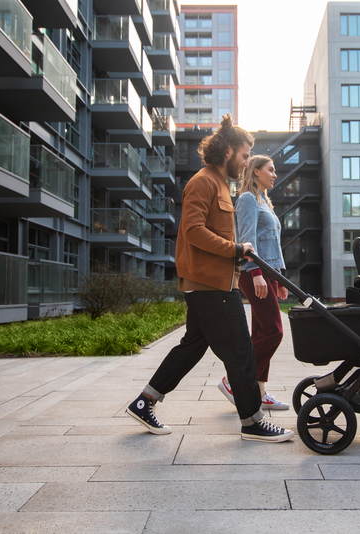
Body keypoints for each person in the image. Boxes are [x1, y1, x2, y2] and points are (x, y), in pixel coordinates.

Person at [126, 115, 293, 443]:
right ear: (229, 151)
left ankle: (144, 401)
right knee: (241, 350)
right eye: (245, 156)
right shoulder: (203, 182)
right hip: (209, 284)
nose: (246, 163)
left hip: (213, 282)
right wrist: (236, 249)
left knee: (192, 347)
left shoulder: (219, 184)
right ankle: (252, 420)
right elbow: (192, 230)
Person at [218, 155, 290, 410]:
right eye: (270, 170)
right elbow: (248, 238)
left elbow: (273, 244)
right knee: (273, 331)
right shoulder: (248, 199)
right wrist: (257, 272)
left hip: (268, 271)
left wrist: (280, 278)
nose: (274, 174)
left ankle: (258, 392)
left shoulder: (265, 202)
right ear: (256, 171)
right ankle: (232, 380)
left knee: (260, 332)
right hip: (254, 272)